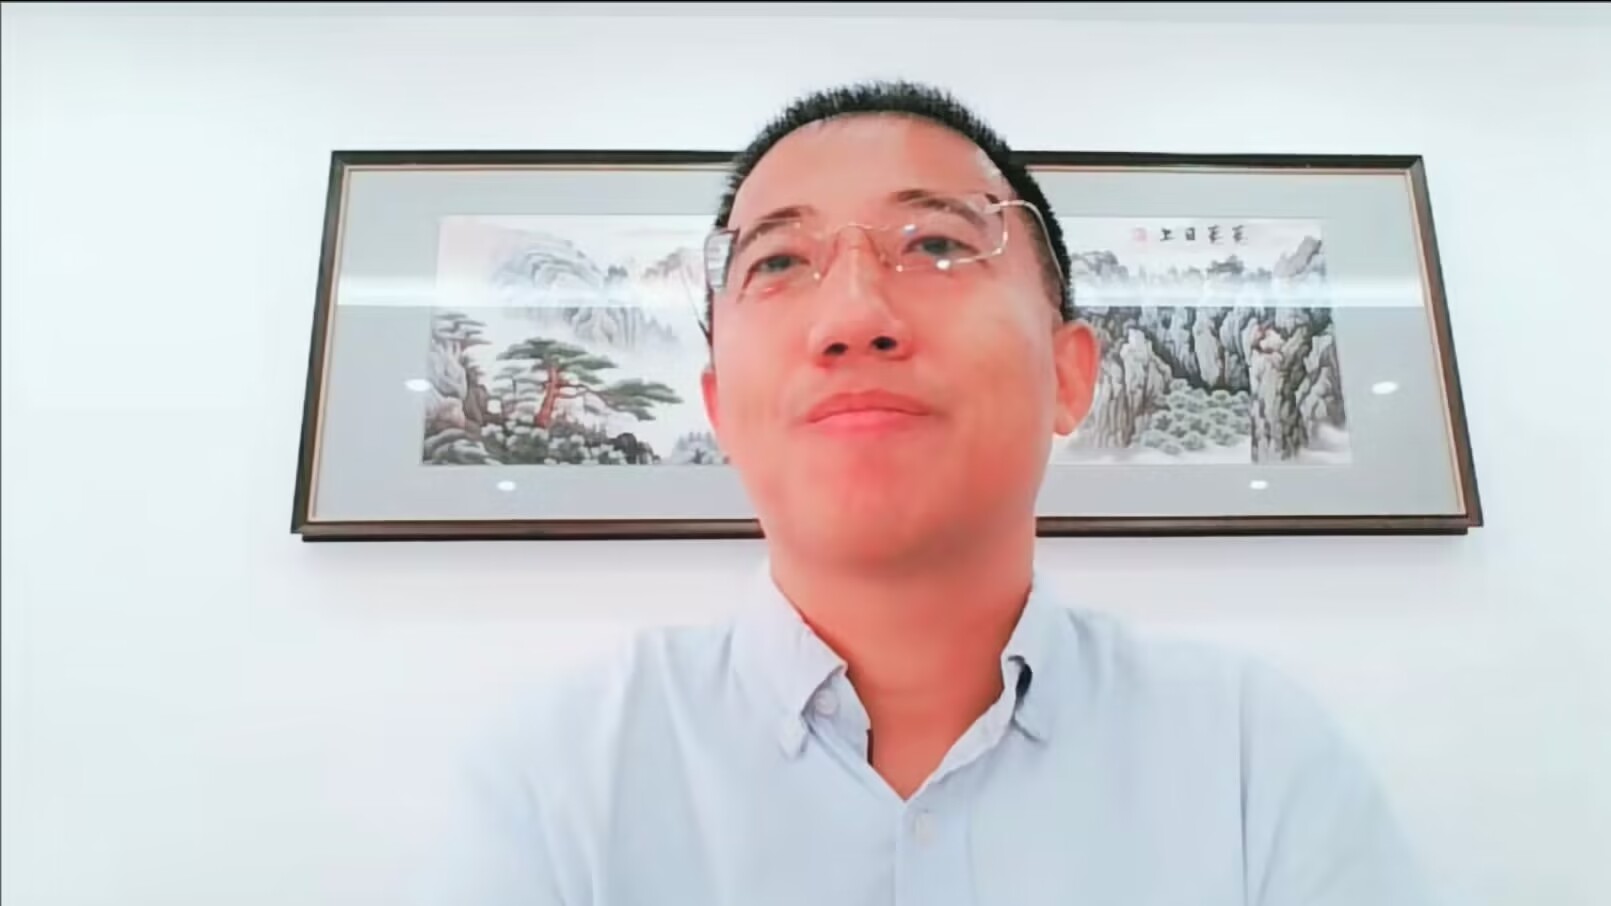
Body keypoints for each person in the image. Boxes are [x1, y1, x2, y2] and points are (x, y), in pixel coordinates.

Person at [419, 80, 1433, 906]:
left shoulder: (1252, 761)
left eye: (938, 245)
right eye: (779, 260)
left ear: (1070, 374)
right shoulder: (559, 782)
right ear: (721, 408)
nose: (853, 317)